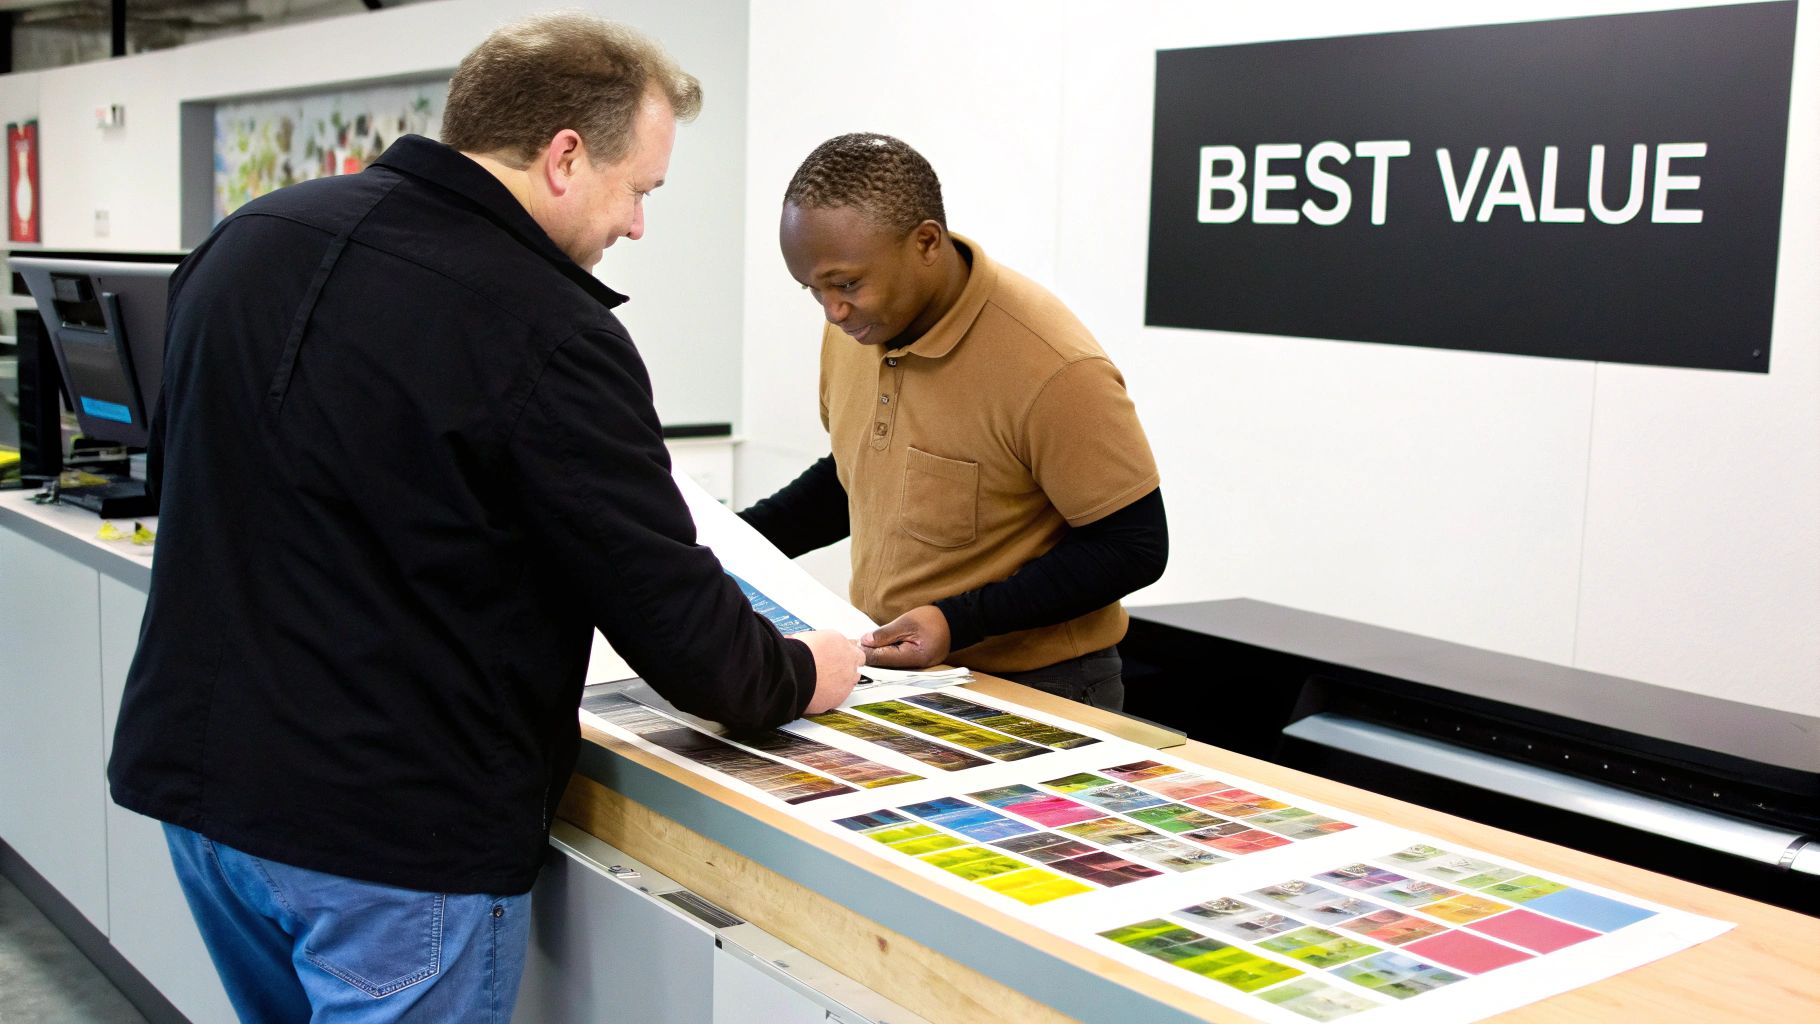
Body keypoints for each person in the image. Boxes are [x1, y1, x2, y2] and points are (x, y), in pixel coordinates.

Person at [106, 15, 862, 1022]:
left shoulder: (247, 241)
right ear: (562, 157)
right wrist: (810, 666)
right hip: (388, 842)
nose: (637, 225)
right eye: (639, 188)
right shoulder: (548, 328)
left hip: (202, 796)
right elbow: (690, 643)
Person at [740, 133, 1167, 712]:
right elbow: (857, 474)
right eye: (812, 290)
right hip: (902, 673)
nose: (832, 312)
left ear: (926, 243)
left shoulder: (1053, 365)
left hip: (1044, 687)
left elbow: (1134, 544)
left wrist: (956, 621)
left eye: (845, 284)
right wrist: (735, 546)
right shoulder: (857, 327)